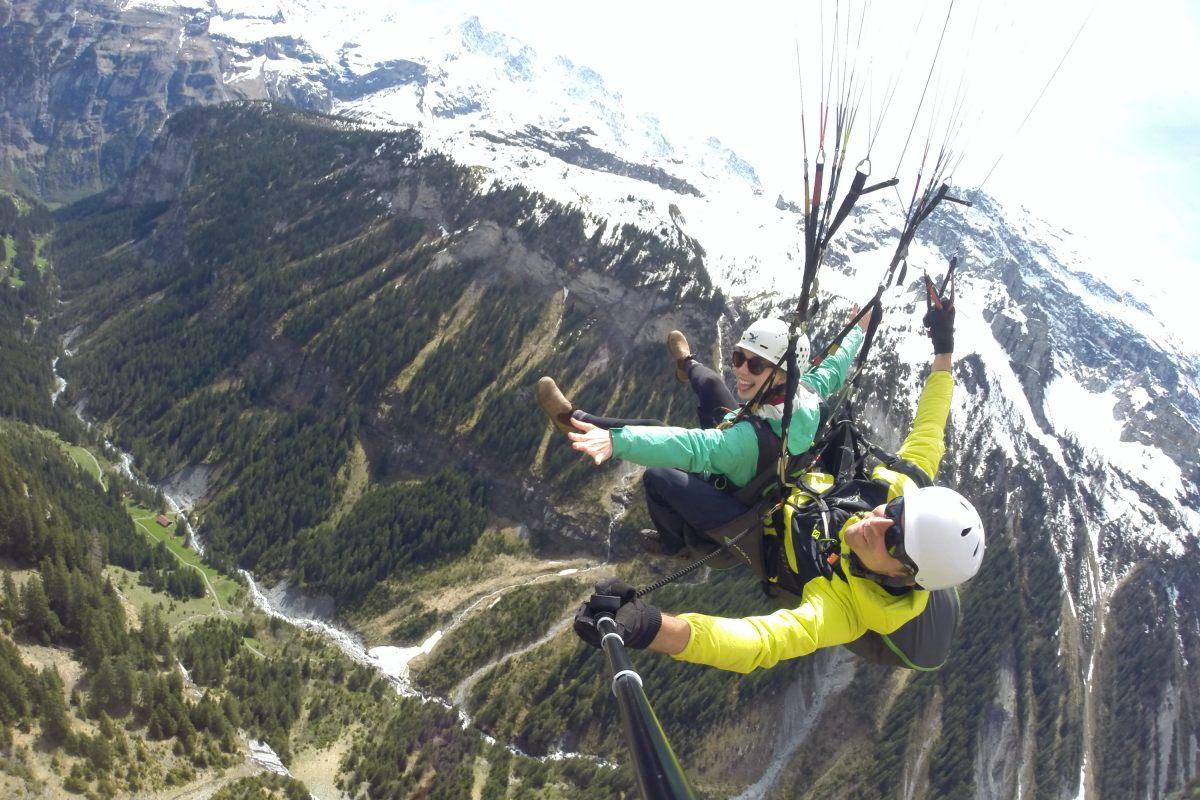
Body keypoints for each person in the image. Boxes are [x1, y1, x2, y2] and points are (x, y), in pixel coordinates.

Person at [572, 297, 987, 672]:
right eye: (894, 513)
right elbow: (930, 426)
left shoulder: (843, 607)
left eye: (893, 539)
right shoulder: (901, 485)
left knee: (670, 468)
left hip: (757, 531)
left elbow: (758, 643)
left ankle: (679, 543)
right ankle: (687, 371)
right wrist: (943, 347)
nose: (875, 522)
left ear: (903, 577)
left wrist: (649, 626)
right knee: (713, 396)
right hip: (782, 485)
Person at [536, 312, 868, 556]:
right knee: (711, 383)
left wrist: (617, 440)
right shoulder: (806, 389)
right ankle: (688, 365)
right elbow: (836, 363)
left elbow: (693, 447)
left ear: (782, 375)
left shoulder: (743, 443)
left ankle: (674, 543)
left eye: (755, 366)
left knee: (658, 473)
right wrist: (860, 326)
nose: (740, 369)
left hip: (735, 503)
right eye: (739, 357)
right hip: (752, 441)